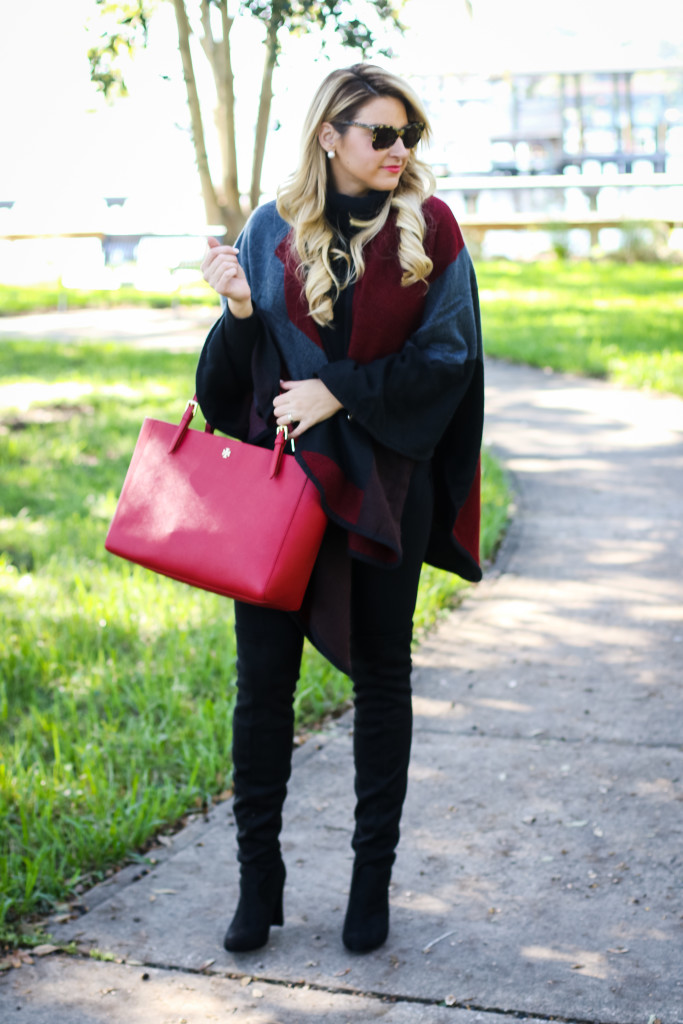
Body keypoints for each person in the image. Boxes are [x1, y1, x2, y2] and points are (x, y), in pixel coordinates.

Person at [196, 63, 483, 955]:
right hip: (281, 493)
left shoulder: (429, 227)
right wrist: (240, 313)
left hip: (386, 491)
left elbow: (450, 362)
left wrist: (337, 394)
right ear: (331, 136)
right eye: (381, 135)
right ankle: (258, 883)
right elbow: (218, 394)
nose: (399, 151)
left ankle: (370, 885)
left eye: (408, 137)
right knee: (262, 690)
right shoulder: (268, 231)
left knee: (383, 682)